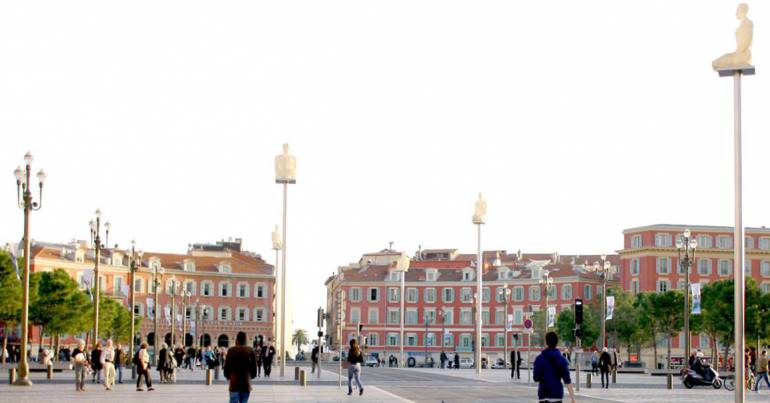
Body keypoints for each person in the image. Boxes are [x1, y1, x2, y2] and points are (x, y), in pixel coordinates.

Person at [533, 332, 576, 403]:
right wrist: (572, 398)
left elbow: (536, 378)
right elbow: (567, 380)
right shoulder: (562, 359)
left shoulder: (539, 359)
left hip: (543, 395)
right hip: (556, 395)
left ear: (546, 342)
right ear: (557, 342)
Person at [224, 332, 257, 403]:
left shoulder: (231, 350)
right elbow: (254, 368)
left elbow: (226, 366)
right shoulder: (250, 350)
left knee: (233, 401)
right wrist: (251, 376)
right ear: (246, 340)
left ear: (237, 340)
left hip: (234, 382)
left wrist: (227, 376)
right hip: (246, 382)